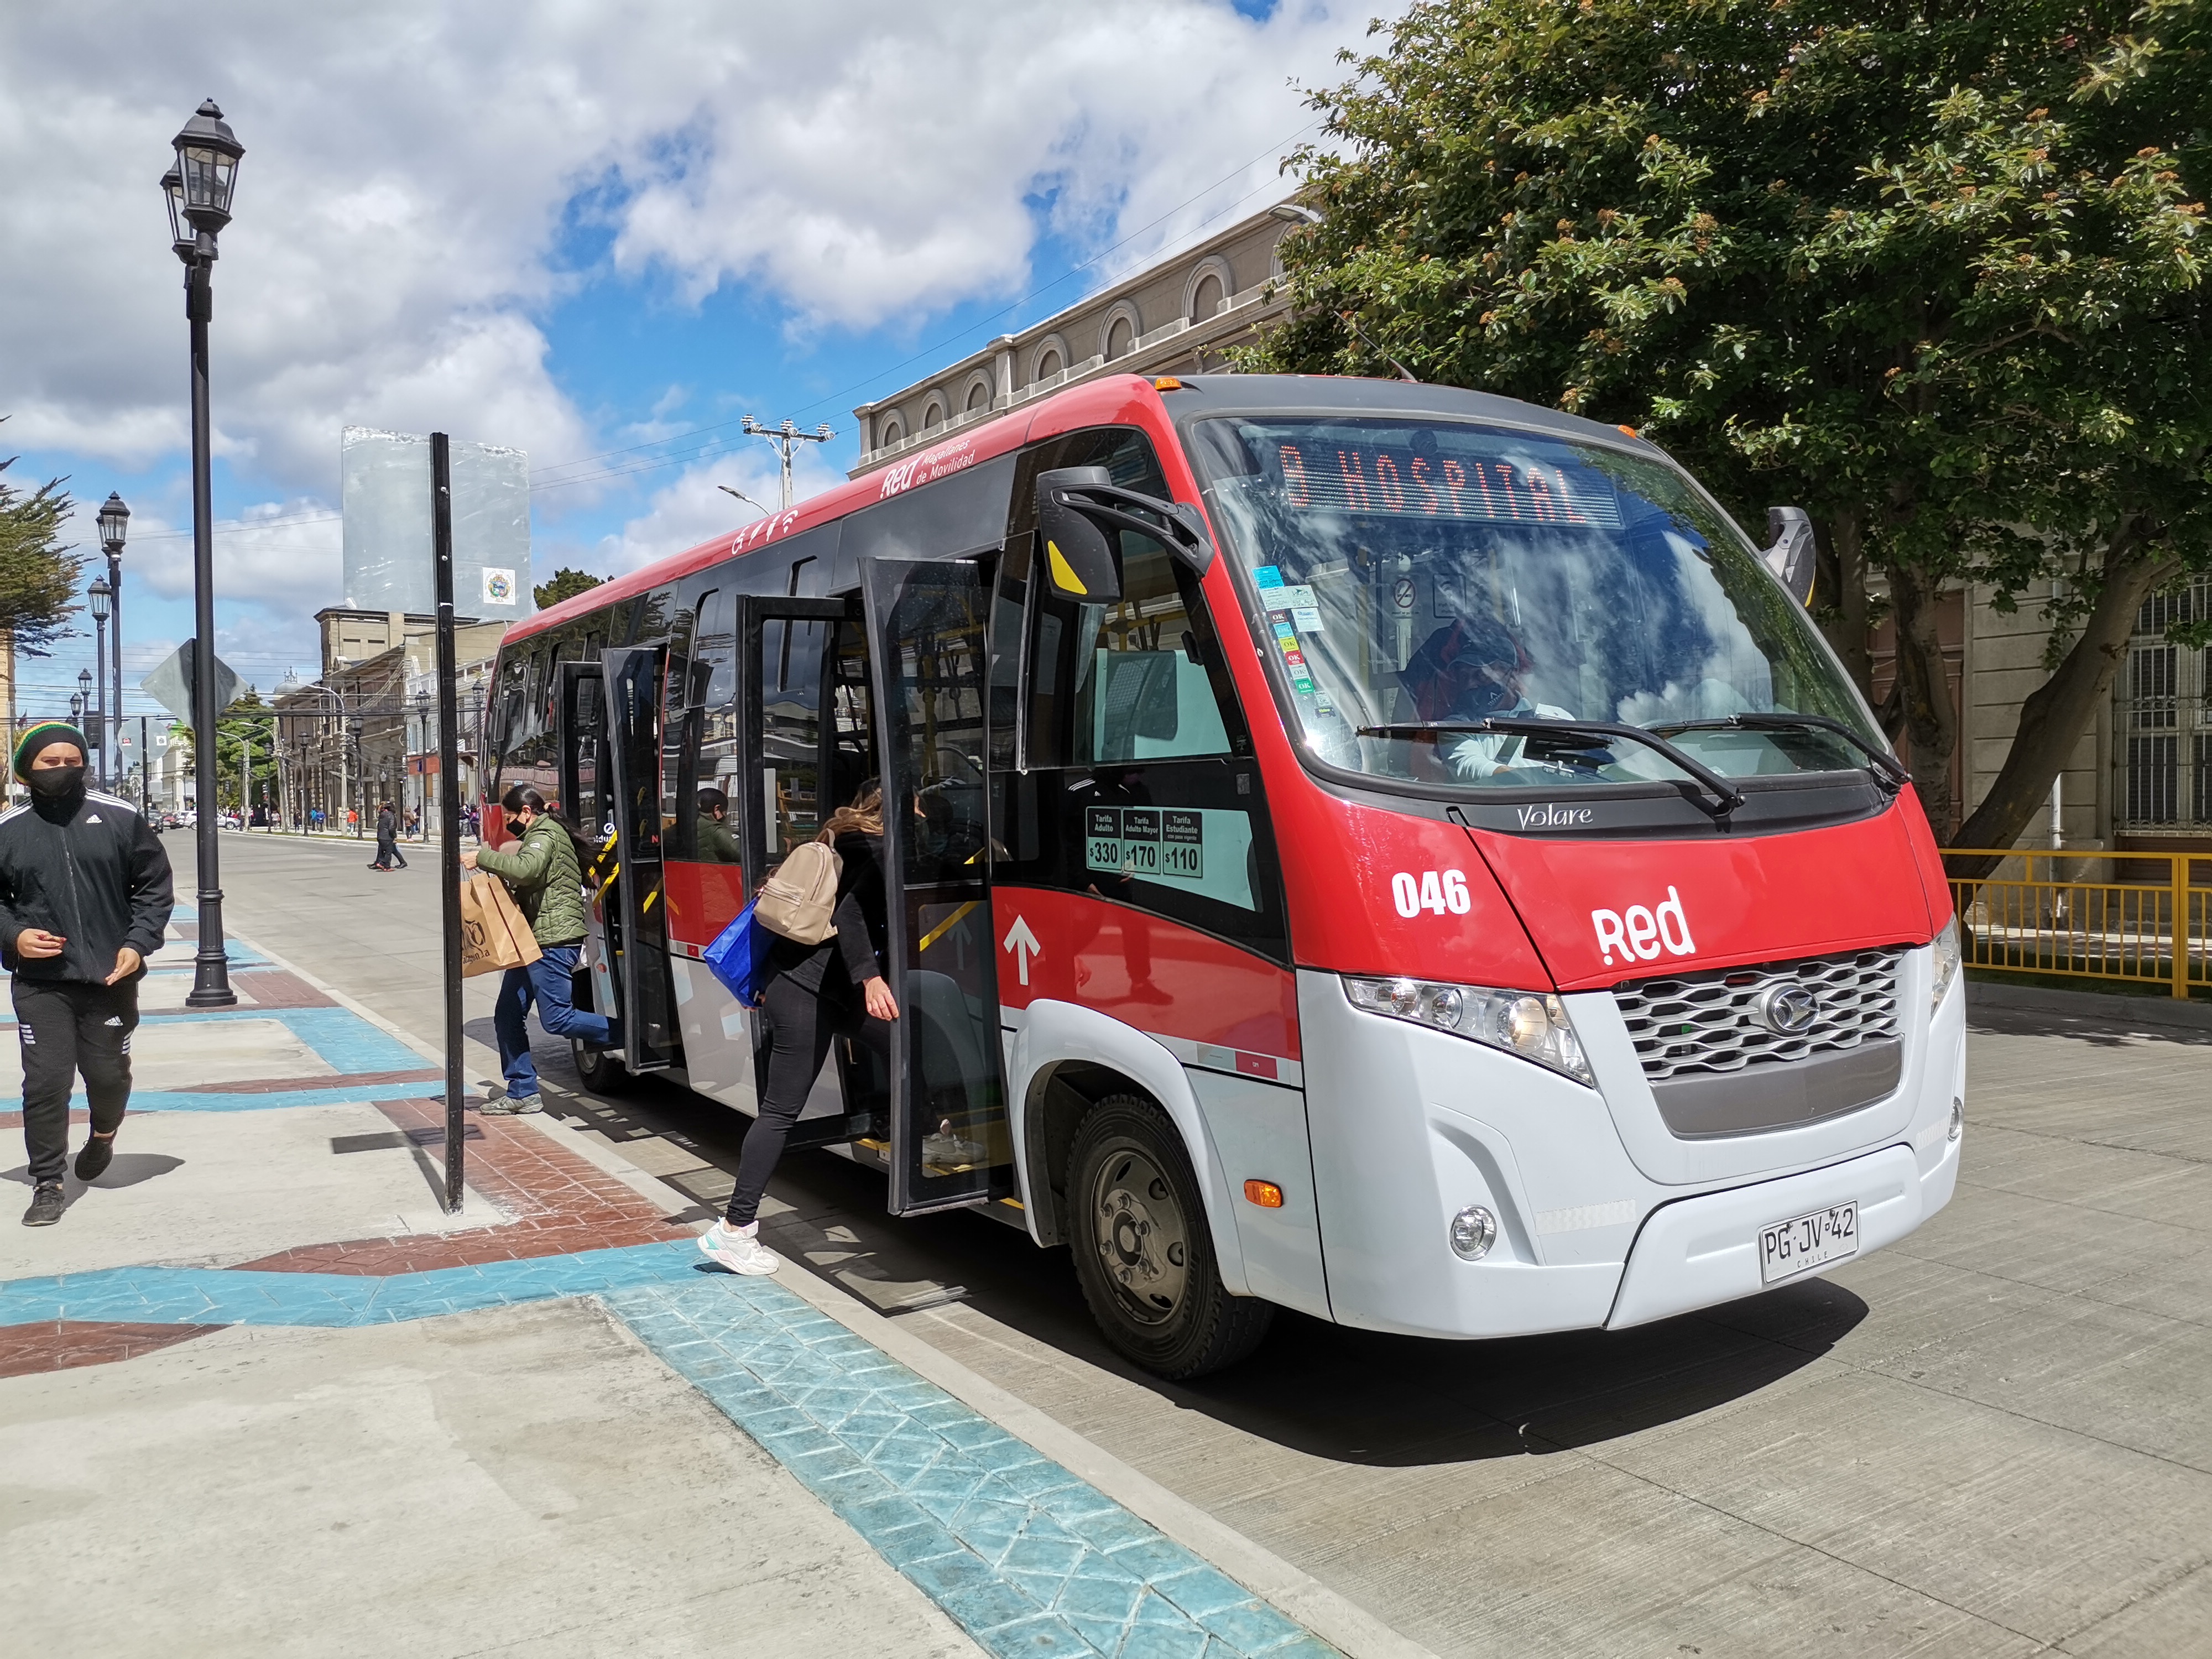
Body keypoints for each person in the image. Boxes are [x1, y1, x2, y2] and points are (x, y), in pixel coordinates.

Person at [698, 782, 898, 1276]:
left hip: (819, 987)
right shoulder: (871, 848)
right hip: (809, 992)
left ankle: (909, 1129)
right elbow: (848, 916)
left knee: (903, 1048)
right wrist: (870, 978)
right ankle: (733, 1230)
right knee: (780, 1112)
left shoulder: (836, 835)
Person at [0, 723, 174, 1227]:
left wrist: (137, 945)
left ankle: (102, 1135)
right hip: (41, 983)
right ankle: (49, 1181)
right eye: (48, 763)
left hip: (109, 979)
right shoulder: (8, 828)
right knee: (46, 1081)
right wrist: (14, 937)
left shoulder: (120, 817)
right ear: (26, 769)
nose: (61, 770)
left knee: (106, 1075)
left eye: (70, 761)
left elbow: (154, 887)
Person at [462, 784, 614, 1113]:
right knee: (506, 1014)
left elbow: (526, 869)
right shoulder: (544, 833)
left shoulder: (544, 835)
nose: (509, 823)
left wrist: (484, 858)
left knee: (557, 1019)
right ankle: (522, 1091)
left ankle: (626, 1034)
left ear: (527, 813)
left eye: (511, 817)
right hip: (533, 940)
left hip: (554, 940)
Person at [695, 787, 744, 864]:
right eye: (725, 812)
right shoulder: (716, 831)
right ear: (717, 810)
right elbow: (744, 854)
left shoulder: (679, 828)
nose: (725, 816)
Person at [369, 801, 407, 871]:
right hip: (388, 836)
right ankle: (384, 864)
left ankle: (381, 863)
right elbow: (392, 828)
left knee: (389, 850)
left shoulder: (382, 815)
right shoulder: (391, 816)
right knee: (389, 851)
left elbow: (380, 826)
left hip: (381, 836)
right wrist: (394, 836)